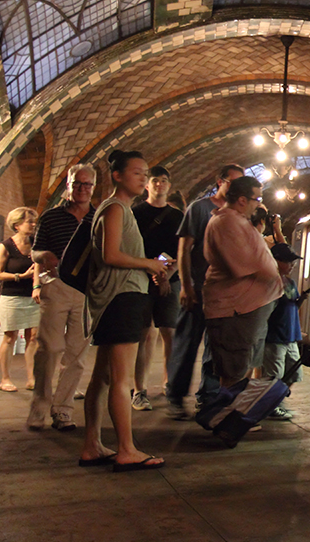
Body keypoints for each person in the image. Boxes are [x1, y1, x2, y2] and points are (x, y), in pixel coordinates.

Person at [79, 150, 169, 471]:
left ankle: (92, 444)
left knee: (103, 377)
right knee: (121, 379)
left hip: (116, 299)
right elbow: (112, 254)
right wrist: (149, 264)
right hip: (121, 299)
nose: (144, 178)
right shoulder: (116, 208)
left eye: (146, 173)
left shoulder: (119, 209)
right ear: (117, 175)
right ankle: (127, 449)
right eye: (137, 173)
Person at [166, 164, 243, 419]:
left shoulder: (236, 213)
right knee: (187, 343)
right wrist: (186, 286)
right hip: (198, 287)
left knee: (216, 347)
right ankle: (175, 396)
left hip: (223, 292)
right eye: (232, 183)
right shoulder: (199, 209)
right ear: (219, 181)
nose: (236, 189)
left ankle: (208, 397)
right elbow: (184, 249)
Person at [27, 164, 96, 431]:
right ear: (68, 184)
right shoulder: (52, 217)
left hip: (86, 291)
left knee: (76, 355)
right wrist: (43, 256)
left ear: (93, 187)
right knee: (49, 348)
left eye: (87, 184)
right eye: (77, 183)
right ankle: (39, 408)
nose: (81, 189)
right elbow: (35, 251)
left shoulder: (98, 217)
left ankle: (63, 410)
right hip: (55, 286)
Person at [202, 176, 283, 388]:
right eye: (257, 198)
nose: (260, 204)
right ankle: (230, 416)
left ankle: (238, 416)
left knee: (242, 368)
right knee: (233, 372)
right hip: (234, 311)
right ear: (241, 200)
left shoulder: (236, 221)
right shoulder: (226, 222)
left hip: (245, 311)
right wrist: (273, 271)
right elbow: (246, 264)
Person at [130, 166, 183, 412]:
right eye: (155, 181)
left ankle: (169, 382)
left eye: (164, 181)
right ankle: (139, 389)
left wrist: (163, 274)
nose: (159, 185)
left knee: (169, 332)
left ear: (169, 186)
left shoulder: (176, 216)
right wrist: (152, 271)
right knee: (145, 334)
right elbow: (131, 246)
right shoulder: (136, 212)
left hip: (168, 280)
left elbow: (180, 250)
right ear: (147, 185)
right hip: (141, 279)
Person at [0, 207, 39, 393]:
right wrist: (20, 276)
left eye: (34, 221)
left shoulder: (36, 243)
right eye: (29, 221)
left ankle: (31, 378)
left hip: (33, 297)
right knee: (10, 337)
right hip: (12, 297)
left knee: (33, 337)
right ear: (17, 225)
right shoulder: (6, 246)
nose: (33, 225)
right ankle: (5, 379)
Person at [260, 243, 305, 420]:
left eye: (293, 262)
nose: (292, 265)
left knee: (294, 373)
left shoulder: (291, 282)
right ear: (275, 261)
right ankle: (270, 406)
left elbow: (292, 304)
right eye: (288, 261)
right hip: (274, 337)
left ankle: (275, 402)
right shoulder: (268, 281)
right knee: (273, 376)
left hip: (291, 335)